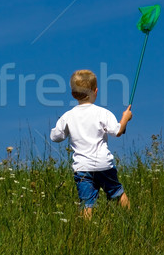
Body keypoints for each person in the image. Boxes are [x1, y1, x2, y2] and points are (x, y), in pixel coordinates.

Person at [50, 69, 133, 219]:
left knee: (87, 202)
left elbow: (55, 137)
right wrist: (125, 117)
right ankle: (131, 217)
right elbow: (117, 131)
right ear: (96, 91)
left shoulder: (68, 116)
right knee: (117, 192)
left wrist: (59, 129)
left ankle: (87, 232)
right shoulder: (103, 113)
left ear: (73, 94)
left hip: (82, 168)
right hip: (104, 165)